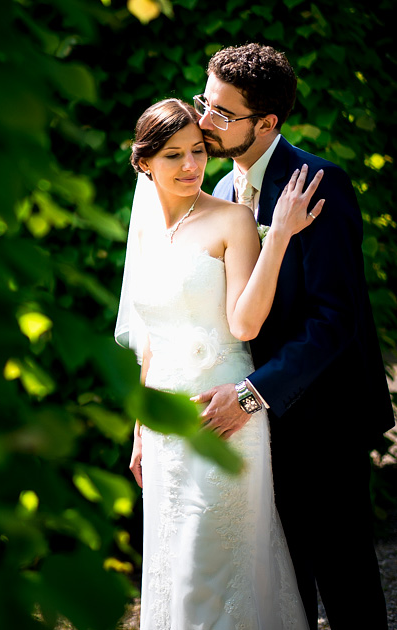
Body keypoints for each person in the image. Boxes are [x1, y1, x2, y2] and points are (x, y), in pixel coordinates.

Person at [191, 43, 394, 629]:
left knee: (347, 586)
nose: (205, 120)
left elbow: (335, 319)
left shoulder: (319, 183)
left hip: (322, 423)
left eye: (223, 114)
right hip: (250, 432)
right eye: (207, 102)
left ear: (267, 123)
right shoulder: (221, 194)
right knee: (281, 585)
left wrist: (253, 394)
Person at [115, 97, 321, 628]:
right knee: (175, 558)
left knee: (212, 563)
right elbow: (151, 340)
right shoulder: (144, 234)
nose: (190, 166)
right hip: (165, 424)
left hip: (223, 409)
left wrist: (275, 236)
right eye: (173, 155)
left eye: (198, 152)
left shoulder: (232, 218)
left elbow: (245, 326)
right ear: (144, 163)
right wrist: (140, 428)